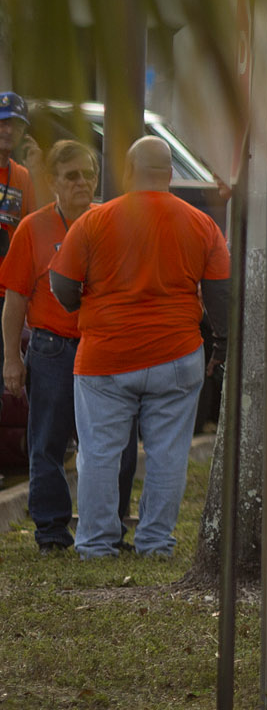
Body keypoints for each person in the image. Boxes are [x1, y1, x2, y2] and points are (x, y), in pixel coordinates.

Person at [47, 136, 229, 559]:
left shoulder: (94, 221)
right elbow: (221, 293)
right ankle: (155, 543)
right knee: (168, 454)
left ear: (127, 173)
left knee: (99, 454)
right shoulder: (201, 223)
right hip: (177, 355)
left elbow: (63, 284)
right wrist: (219, 343)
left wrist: (81, 305)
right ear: (170, 175)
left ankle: (95, 543)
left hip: (106, 358)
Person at [2, 141, 136, 552]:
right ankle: (53, 533)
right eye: (72, 175)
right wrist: (11, 359)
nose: (83, 182)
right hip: (51, 349)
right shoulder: (33, 229)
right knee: (47, 443)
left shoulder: (112, 222)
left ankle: (110, 527)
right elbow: (15, 300)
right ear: (52, 182)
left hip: (104, 347)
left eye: (89, 174)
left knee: (119, 443)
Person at [0, 92, 38, 252]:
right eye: (3, 123)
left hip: (9, 272)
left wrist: (38, 171)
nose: (9, 131)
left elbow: (38, 227)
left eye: (17, 126)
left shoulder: (23, 176)